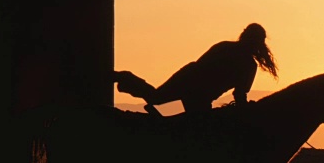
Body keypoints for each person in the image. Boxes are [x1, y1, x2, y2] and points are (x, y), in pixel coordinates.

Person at [113, 23, 278, 114]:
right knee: (200, 133)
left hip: (189, 78)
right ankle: (126, 78)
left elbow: (201, 65)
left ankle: (125, 78)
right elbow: (240, 94)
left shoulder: (224, 47)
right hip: (200, 94)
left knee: (155, 97)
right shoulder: (248, 65)